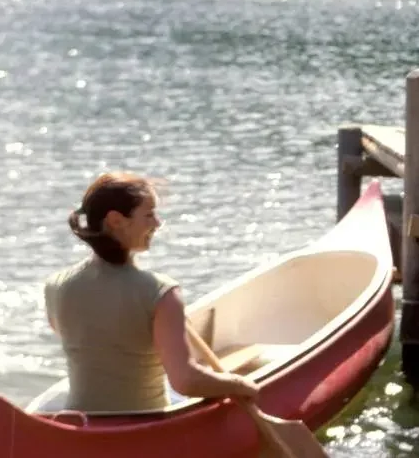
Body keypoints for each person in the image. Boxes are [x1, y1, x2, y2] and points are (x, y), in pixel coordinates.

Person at [43, 172, 259, 412]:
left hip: (84, 425)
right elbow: (186, 381)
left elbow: (101, 349)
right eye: (149, 215)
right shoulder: (161, 292)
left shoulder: (56, 286)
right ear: (116, 220)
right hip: (144, 426)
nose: (157, 223)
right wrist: (241, 384)